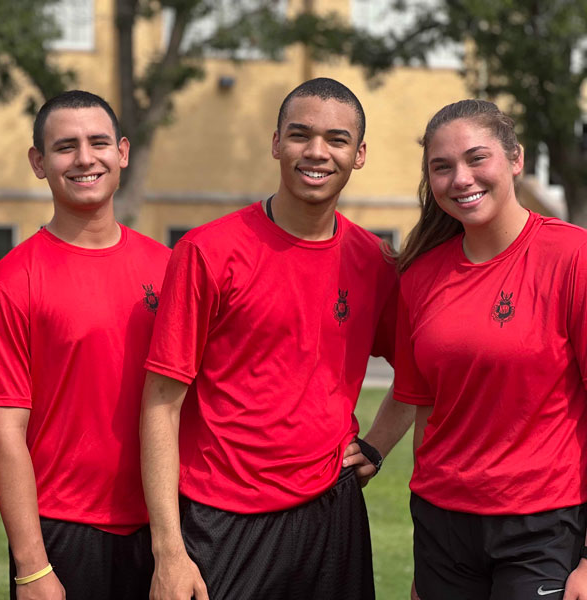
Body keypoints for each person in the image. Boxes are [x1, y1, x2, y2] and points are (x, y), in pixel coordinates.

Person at [140, 77, 415, 600]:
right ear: (276, 144)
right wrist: (168, 550)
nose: (317, 152)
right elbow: (160, 405)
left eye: (337, 139)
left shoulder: (376, 262)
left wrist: (377, 447)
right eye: (300, 135)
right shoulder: (207, 252)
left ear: (359, 155)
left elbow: (421, 374)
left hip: (332, 514)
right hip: (222, 516)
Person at [0, 90, 171, 600]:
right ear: (38, 162)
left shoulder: (170, 268)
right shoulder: (9, 284)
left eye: (98, 143)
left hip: (169, 525)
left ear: (122, 152)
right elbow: (2, 435)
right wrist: (32, 566)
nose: (85, 158)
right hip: (64, 532)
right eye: (65, 147)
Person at [394, 99, 587, 600]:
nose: (461, 178)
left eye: (477, 158)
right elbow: (427, 413)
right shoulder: (419, 278)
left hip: (542, 525)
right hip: (442, 525)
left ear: (516, 159)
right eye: (442, 167)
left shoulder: (573, 257)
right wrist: (426, 558)